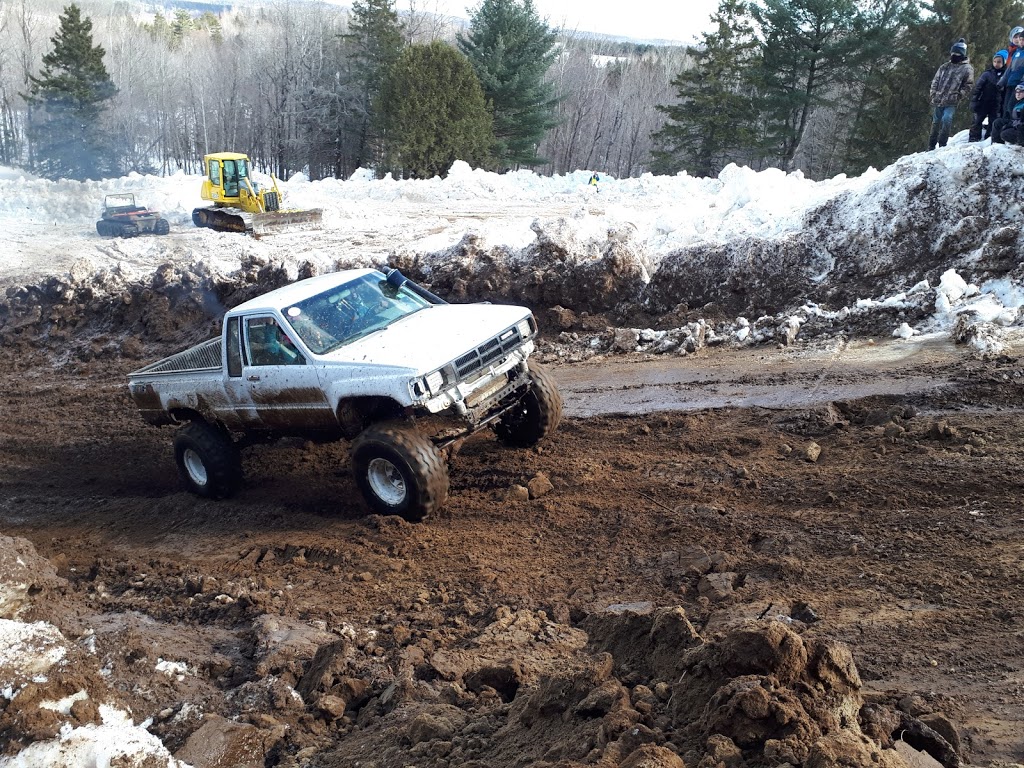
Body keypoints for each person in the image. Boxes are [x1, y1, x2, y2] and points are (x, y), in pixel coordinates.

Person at [928, 38, 975, 150]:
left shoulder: (967, 68)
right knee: (935, 123)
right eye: (953, 53)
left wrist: (959, 95)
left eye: (957, 53)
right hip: (938, 99)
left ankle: (943, 144)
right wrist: (933, 93)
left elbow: (968, 85)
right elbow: (935, 80)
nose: (954, 55)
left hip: (951, 101)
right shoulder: (944, 66)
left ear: (962, 54)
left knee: (946, 120)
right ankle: (931, 145)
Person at [970, 50, 1008, 141]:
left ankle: (989, 138)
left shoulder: (1006, 75)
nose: (996, 64)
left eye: (999, 62)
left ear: (1004, 62)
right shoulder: (987, 74)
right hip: (983, 101)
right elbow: (978, 88)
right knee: (977, 121)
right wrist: (974, 100)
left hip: (996, 104)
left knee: (993, 122)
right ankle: (973, 138)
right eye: (994, 61)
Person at [999, 27, 1024, 116]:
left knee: (1012, 107)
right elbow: (1009, 69)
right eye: (1017, 38)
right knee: (1005, 107)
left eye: (1021, 39)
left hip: (1019, 85)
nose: (1019, 41)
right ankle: (1004, 126)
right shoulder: (1015, 52)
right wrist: (1002, 82)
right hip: (1010, 83)